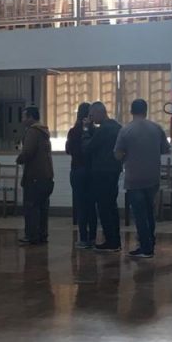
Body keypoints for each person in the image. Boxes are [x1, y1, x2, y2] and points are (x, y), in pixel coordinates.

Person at [114, 99, 169, 258]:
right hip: (153, 176)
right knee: (150, 211)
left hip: (134, 178)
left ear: (131, 111)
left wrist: (128, 155)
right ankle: (151, 242)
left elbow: (118, 155)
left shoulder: (126, 130)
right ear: (146, 110)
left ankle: (145, 247)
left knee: (139, 214)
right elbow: (165, 149)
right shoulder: (157, 128)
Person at [82, 102, 122, 252]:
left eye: (92, 115)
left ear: (100, 112)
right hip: (114, 170)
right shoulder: (117, 126)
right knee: (112, 206)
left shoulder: (104, 129)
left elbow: (88, 147)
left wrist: (86, 130)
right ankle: (116, 240)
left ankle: (110, 242)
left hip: (101, 171)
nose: (91, 119)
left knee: (104, 207)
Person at [15, 105, 54, 245]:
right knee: (42, 208)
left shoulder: (32, 131)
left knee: (31, 207)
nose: (22, 120)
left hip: (34, 176)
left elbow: (28, 152)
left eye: (24, 117)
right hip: (46, 176)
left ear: (31, 117)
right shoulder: (44, 131)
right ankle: (42, 235)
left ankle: (31, 236)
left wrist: (19, 159)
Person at [65, 102, 97, 249]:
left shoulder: (73, 131)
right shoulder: (95, 131)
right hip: (92, 171)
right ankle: (93, 237)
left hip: (77, 170)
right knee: (91, 205)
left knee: (81, 205)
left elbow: (68, 150)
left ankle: (83, 238)